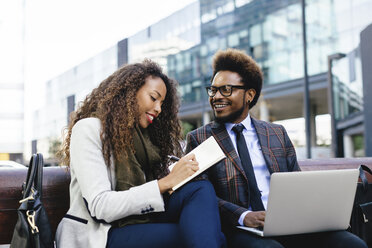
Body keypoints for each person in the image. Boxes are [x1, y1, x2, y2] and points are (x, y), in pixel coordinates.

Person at [185, 49, 367, 248]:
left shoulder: (276, 133)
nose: (216, 96)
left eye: (226, 89)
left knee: (350, 244)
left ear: (249, 95)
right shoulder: (200, 138)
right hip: (239, 229)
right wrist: (244, 216)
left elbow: (297, 183)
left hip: (289, 222)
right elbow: (200, 197)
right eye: (213, 90)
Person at [55, 60, 226, 248]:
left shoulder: (147, 138)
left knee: (200, 189)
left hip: (141, 219)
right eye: (154, 98)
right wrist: (164, 183)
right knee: (201, 235)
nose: (159, 109)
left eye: (162, 103)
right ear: (128, 93)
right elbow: (100, 206)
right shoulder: (89, 129)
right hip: (101, 233)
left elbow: (154, 189)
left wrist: (175, 178)